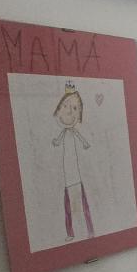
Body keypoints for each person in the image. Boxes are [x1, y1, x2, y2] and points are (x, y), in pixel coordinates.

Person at [52, 82, 94, 241]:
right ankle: (70, 233)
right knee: (68, 206)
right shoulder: (64, 132)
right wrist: (55, 142)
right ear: (58, 110)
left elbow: (81, 138)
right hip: (67, 176)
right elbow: (58, 140)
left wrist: (85, 144)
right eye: (65, 106)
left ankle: (89, 231)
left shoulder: (73, 131)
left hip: (75, 174)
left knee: (82, 204)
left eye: (75, 108)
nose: (69, 111)